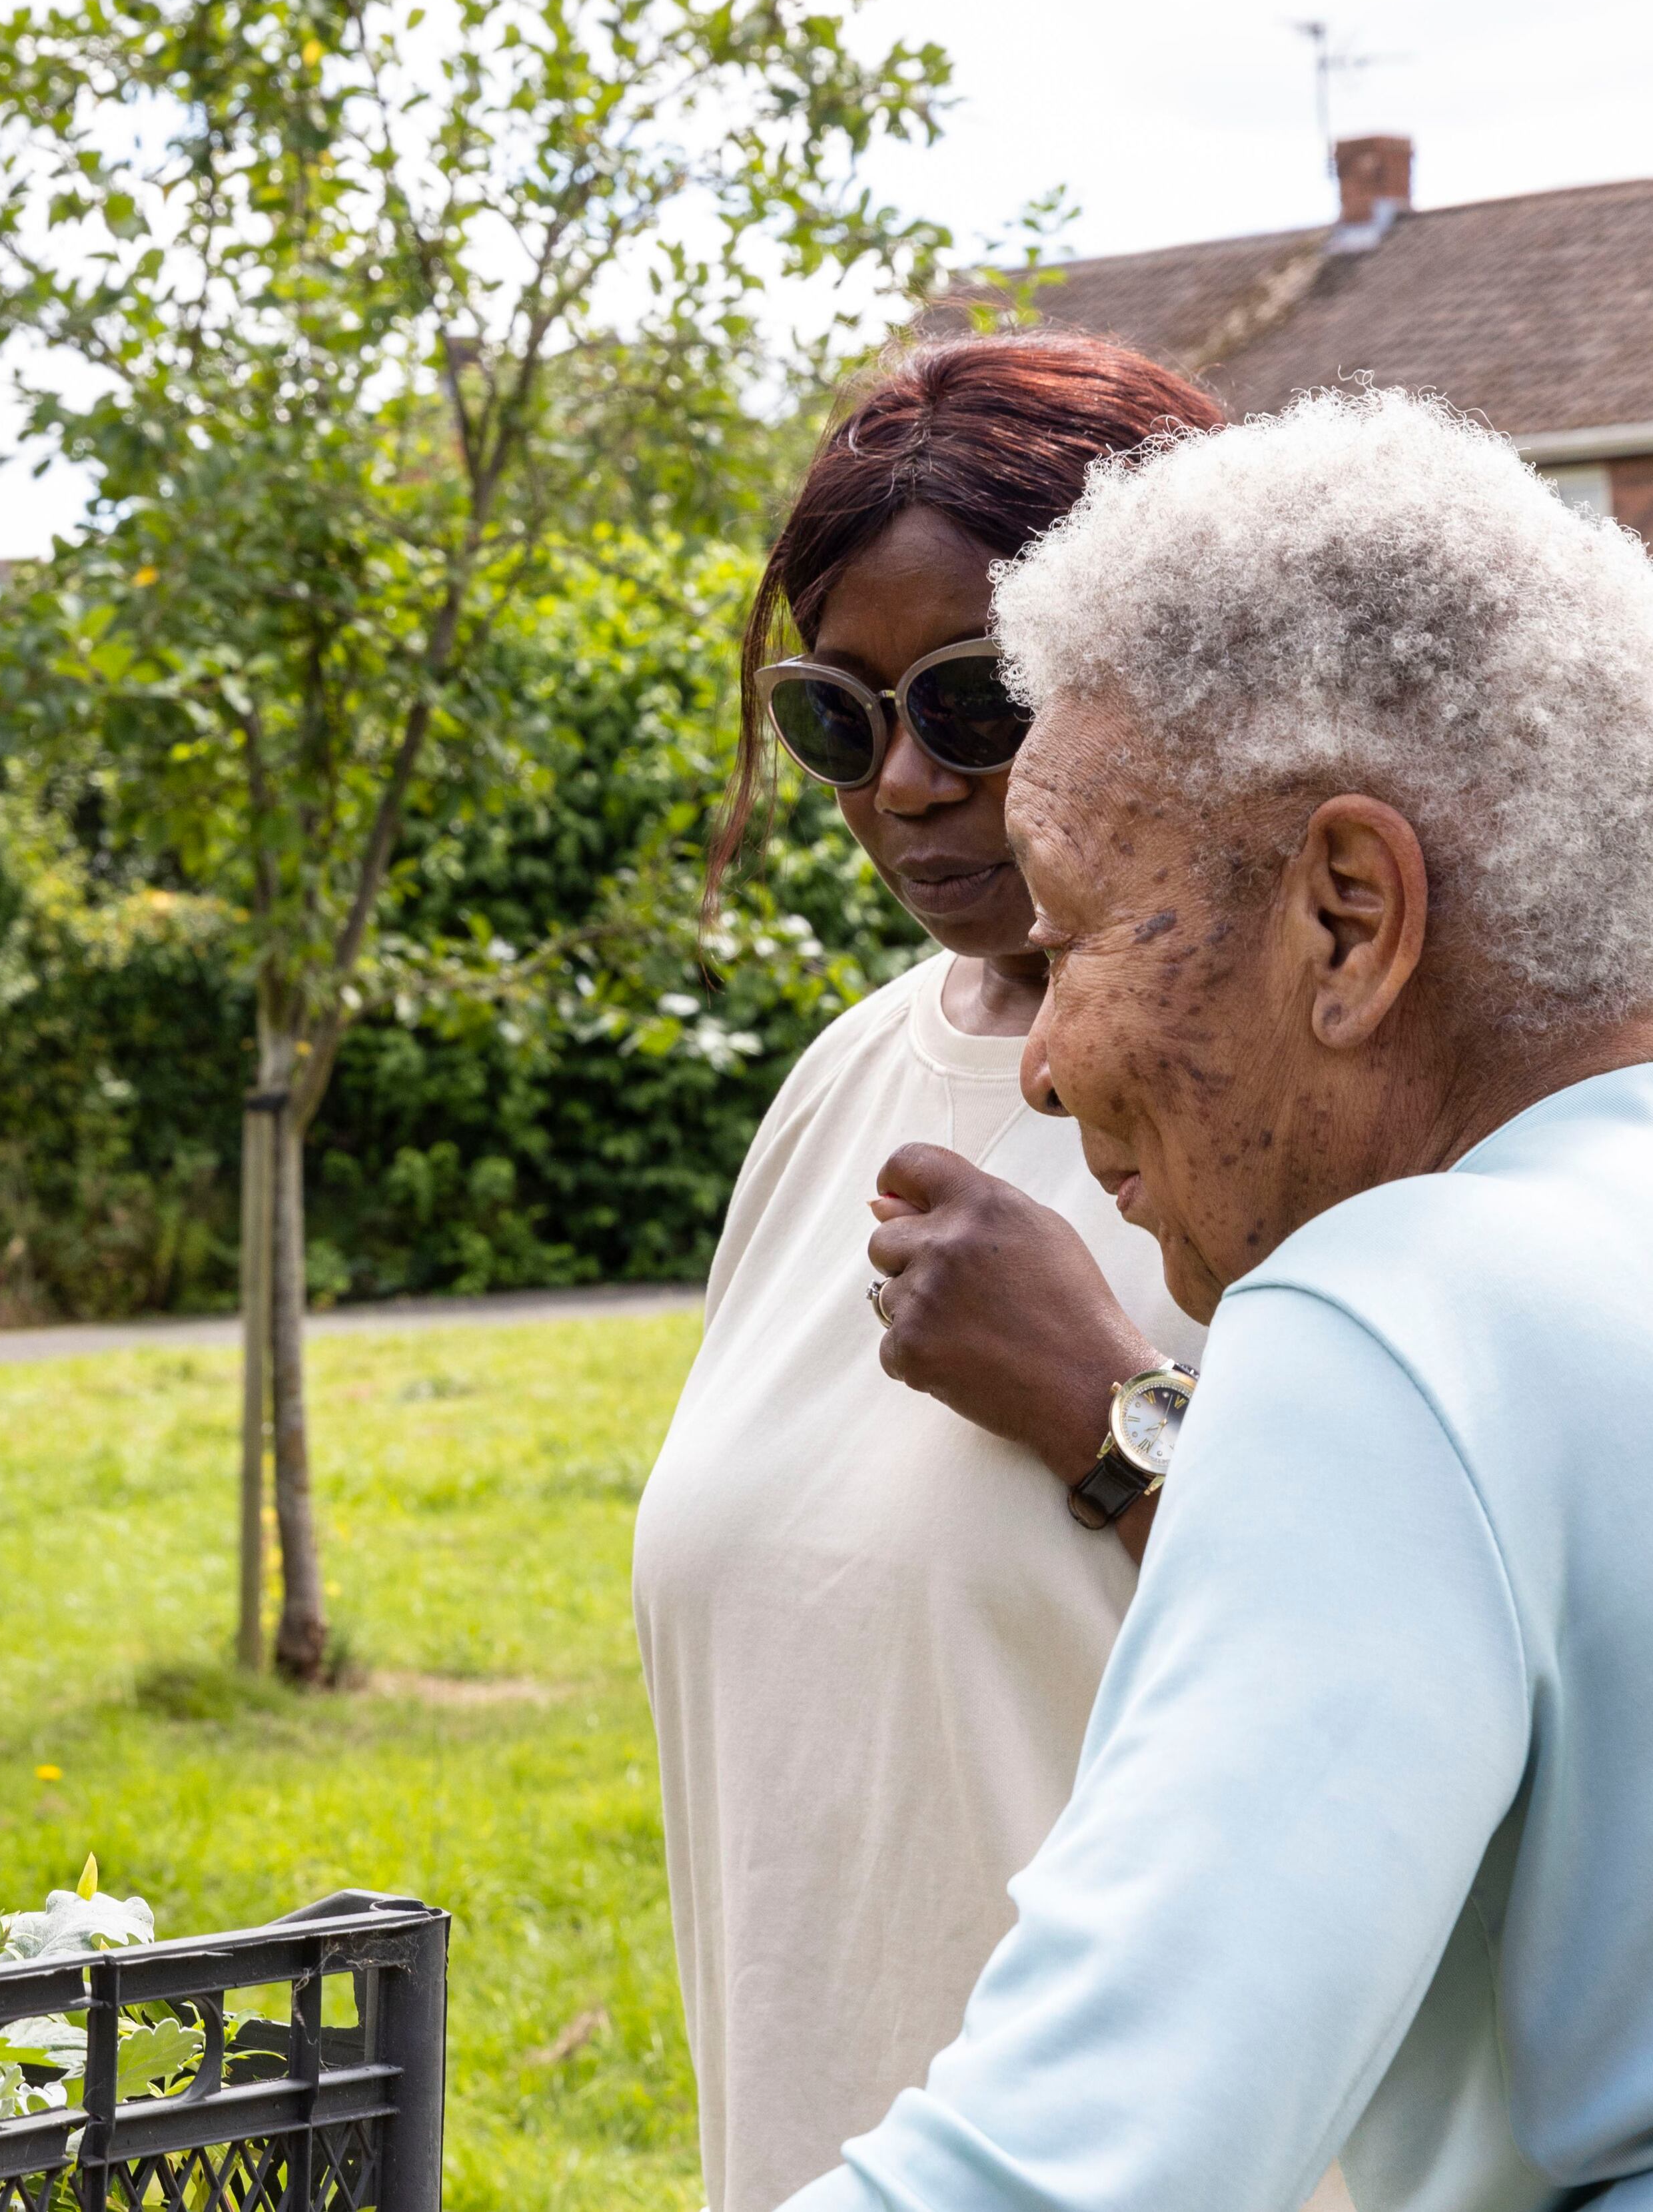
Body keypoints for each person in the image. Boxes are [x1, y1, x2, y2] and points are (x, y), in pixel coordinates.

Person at [782, 392, 1653, 2211]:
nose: (1044, 1060)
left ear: (1348, 916)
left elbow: (1069, 2170)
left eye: (1084, 925)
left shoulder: (1398, 1324)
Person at [634, 335, 1276, 2212]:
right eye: (838, 715)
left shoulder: (1318, 1109)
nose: (907, 782)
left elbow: (1471, 1697)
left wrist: (1111, 1417)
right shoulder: (839, 1083)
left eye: (978, 701)